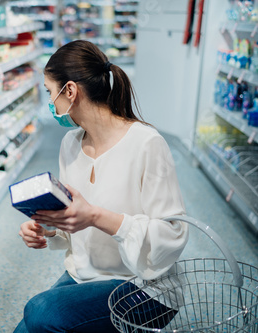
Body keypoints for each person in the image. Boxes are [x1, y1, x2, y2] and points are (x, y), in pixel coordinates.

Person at [15, 40, 189, 333]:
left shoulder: (147, 144)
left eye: (49, 92)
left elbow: (173, 234)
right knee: (27, 327)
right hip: (86, 274)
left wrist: (98, 217)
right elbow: (75, 222)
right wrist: (48, 228)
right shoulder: (70, 144)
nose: (50, 103)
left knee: (41, 311)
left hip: (145, 286)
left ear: (70, 91)